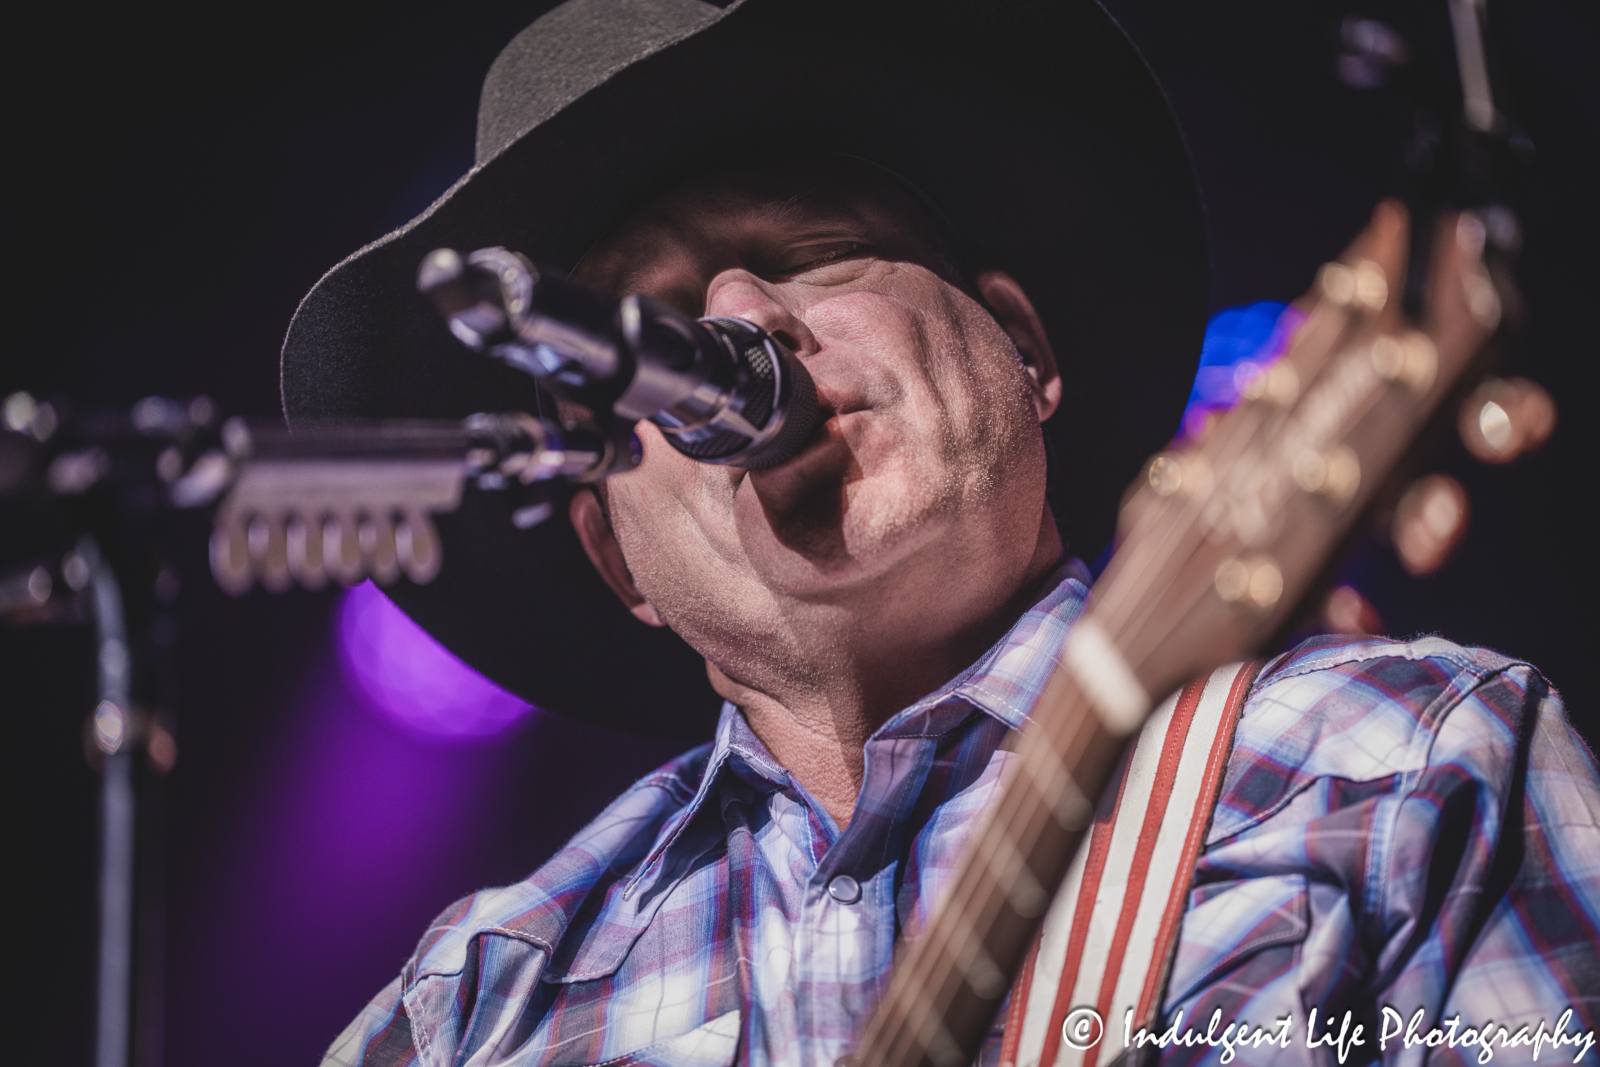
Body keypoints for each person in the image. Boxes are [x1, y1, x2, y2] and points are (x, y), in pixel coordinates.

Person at [287, 1, 1600, 1064]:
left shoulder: (1404, 773)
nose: (745, 319)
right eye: (652, 335)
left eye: (818, 251)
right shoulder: (474, 1013)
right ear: (615, 555)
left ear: (1021, 349)